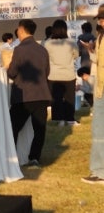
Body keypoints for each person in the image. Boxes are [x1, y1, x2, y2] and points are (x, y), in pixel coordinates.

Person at [6, 19, 51, 167]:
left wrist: (7, 69)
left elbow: (12, 72)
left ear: (21, 30)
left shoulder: (19, 49)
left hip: (24, 95)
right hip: (41, 94)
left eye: (18, 29)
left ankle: (10, 157)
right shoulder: (42, 49)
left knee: (13, 127)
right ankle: (34, 157)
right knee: (40, 129)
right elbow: (47, 72)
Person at [82, 5, 104, 185]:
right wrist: (92, 51)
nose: (101, 21)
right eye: (100, 18)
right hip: (100, 87)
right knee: (98, 129)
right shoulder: (100, 38)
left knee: (99, 130)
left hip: (101, 88)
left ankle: (99, 171)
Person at [43, 18, 79, 127]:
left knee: (56, 98)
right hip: (68, 74)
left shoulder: (48, 43)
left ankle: (59, 119)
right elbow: (76, 55)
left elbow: (45, 57)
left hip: (54, 75)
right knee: (69, 98)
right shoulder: (71, 42)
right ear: (65, 29)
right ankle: (70, 119)